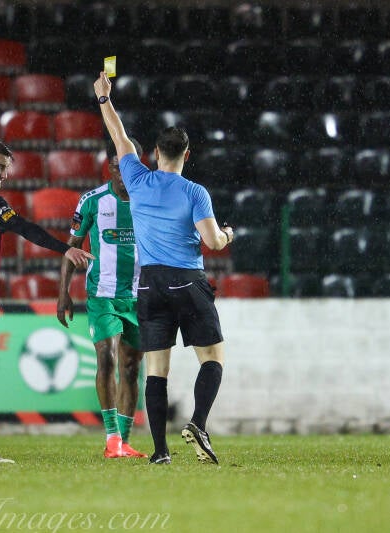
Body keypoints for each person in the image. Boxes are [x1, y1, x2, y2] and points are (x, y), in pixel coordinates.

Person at [94, 72, 233, 465]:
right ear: (187, 155)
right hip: (187, 280)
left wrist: (104, 98)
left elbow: (119, 136)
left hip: (149, 284)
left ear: (155, 153)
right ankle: (198, 424)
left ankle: (159, 452)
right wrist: (228, 234)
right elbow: (212, 242)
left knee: (157, 369)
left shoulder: (137, 179)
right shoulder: (195, 192)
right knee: (213, 358)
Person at [0, 139, 93, 463]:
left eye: (7, 169)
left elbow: (24, 227)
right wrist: (65, 248)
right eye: (0, 168)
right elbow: (25, 228)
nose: (5, 175)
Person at [57, 141, 146, 460]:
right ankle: (111, 438)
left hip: (138, 296)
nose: (124, 174)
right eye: (118, 167)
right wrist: (63, 292)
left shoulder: (146, 199)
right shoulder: (93, 201)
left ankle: (123, 440)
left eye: (130, 166)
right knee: (106, 357)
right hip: (102, 295)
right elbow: (71, 247)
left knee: (132, 366)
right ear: (109, 168)